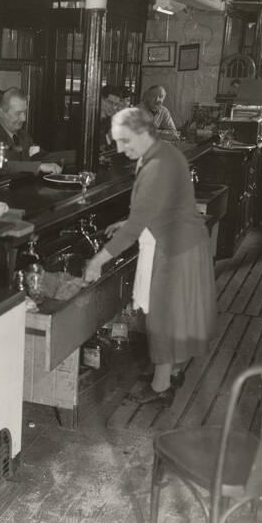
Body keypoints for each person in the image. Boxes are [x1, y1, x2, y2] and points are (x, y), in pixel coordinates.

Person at [83, 108, 216, 405]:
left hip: (175, 249)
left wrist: (97, 261)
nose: (120, 149)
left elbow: (135, 227)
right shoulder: (163, 153)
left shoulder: (157, 164)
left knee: (163, 319)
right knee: (176, 316)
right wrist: (129, 220)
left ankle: (160, 389)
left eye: (125, 141)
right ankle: (172, 373)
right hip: (184, 241)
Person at [0, 87, 62, 177]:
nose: (24, 118)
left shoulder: (23, 136)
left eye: (24, 112)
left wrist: (73, 157)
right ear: (1, 113)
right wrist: (38, 166)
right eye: (18, 113)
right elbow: (0, 167)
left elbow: (39, 155)